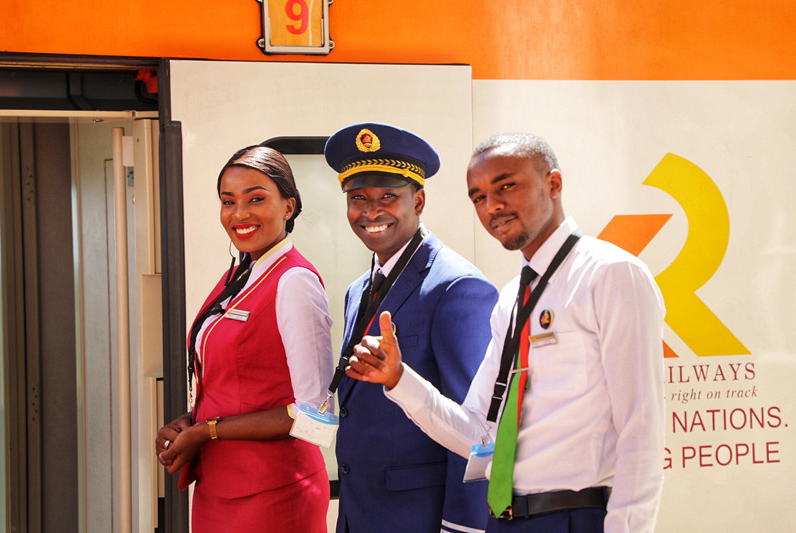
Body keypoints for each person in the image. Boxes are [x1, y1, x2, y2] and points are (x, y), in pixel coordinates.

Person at [346, 133, 666, 533]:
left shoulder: (610, 274)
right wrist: (398, 379)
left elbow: (642, 430)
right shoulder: (513, 297)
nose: (492, 206)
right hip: (505, 519)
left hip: (575, 515)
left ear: (553, 183)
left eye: (506, 187)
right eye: (477, 197)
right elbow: (479, 433)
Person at [324, 122, 499, 533]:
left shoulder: (458, 286)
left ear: (418, 200)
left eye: (389, 196)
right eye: (358, 198)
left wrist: (463, 526)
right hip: (361, 512)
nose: (370, 212)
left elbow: (476, 426)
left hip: (421, 518)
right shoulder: (358, 290)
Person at [156, 144, 333, 532]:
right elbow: (237, 382)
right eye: (228, 201)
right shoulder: (241, 273)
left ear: (289, 206)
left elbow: (316, 413)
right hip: (220, 485)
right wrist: (189, 422)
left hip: (273, 492)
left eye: (256, 199)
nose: (240, 214)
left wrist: (207, 430)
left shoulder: (294, 281)